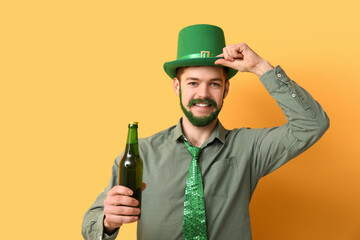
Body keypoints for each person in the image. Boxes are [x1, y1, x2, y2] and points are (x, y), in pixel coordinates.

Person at [82, 24, 329, 240]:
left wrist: (261, 68)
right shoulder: (141, 153)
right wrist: (108, 222)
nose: (203, 94)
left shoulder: (249, 147)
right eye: (193, 83)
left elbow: (313, 123)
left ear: (226, 89)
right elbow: (91, 226)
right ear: (177, 86)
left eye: (214, 83)